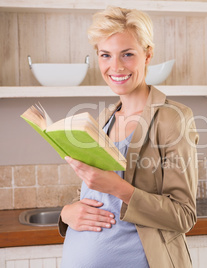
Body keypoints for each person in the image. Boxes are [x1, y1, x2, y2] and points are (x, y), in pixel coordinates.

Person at [59, 6, 199, 268]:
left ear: (148, 54)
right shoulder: (104, 119)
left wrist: (118, 187)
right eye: (105, 55)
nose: (116, 66)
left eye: (127, 54)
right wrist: (66, 213)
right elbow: (100, 200)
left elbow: (184, 215)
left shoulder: (173, 118)